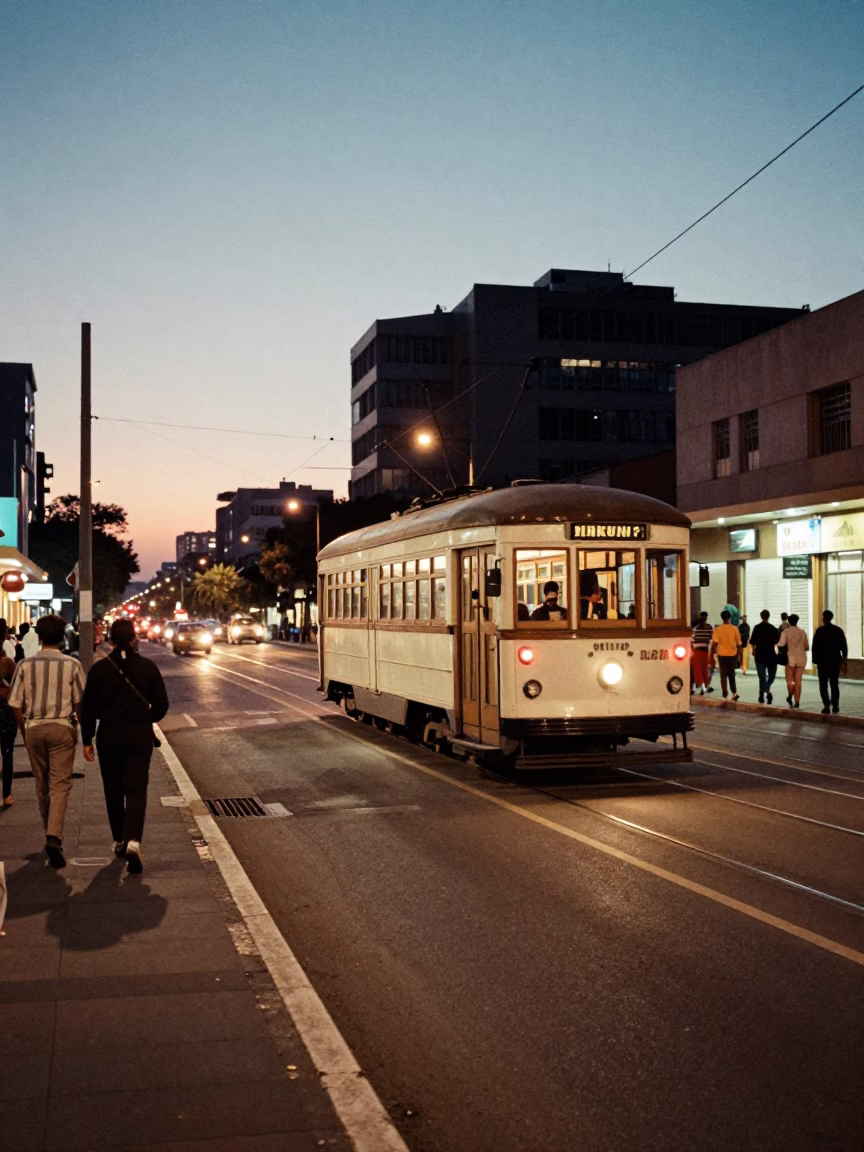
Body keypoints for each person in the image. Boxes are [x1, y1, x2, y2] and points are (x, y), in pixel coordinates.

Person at [81, 618, 169, 874]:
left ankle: (119, 839)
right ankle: (133, 840)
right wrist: (145, 719)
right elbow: (162, 705)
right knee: (136, 788)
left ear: (110, 640)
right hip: (139, 736)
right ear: (133, 638)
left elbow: (88, 709)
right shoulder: (147, 667)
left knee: (113, 788)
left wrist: (87, 739)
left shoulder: (99, 670)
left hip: (109, 734)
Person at [8, 614, 86, 868]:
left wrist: (24, 728)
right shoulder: (72, 665)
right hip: (62, 727)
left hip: (34, 728)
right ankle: (54, 836)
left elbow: (15, 703)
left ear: (39, 637)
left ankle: (50, 836)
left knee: (41, 785)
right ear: (62, 637)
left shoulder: (24, 665)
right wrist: (83, 730)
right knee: (60, 785)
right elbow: (79, 701)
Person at [811, 610, 848, 714]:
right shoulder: (838, 630)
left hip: (822, 662)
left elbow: (815, 647)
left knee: (823, 684)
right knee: (834, 684)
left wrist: (815, 661)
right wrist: (844, 660)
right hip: (835, 661)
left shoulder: (819, 631)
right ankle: (835, 705)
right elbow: (844, 647)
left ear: (823, 618)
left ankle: (826, 705)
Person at [749, 610, 780, 704]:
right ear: (768, 616)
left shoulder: (757, 628)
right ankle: (766, 692)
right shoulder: (773, 628)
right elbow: (778, 639)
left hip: (759, 654)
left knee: (762, 677)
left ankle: (763, 692)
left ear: (761, 616)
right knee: (771, 676)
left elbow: (752, 642)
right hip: (770, 655)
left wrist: (753, 650)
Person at [778, 613, 808, 708]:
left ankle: (790, 695)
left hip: (790, 658)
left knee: (790, 680)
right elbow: (806, 647)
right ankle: (797, 701)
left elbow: (780, 644)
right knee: (798, 681)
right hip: (801, 658)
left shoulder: (785, 632)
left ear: (789, 622)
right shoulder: (802, 632)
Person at [710, 610, 742, 700]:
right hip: (732, 655)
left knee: (723, 675)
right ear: (730, 618)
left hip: (722, 655)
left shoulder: (718, 629)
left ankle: (724, 692)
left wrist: (711, 655)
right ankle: (734, 693)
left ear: (722, 618)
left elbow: (714, 644)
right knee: (732, 675)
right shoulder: (735, 629)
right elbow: (739, 644)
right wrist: (740, 657)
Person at [0, 655, 17, 807]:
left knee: (7, 754)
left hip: (5, 712)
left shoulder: (7, 662)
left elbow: (16, 686)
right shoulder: (7, 662)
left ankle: (7, 793)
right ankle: (7, 794)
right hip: (6, 713)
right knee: (7, 754)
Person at [691, 611, 714, 695]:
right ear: (706, 618)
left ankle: (702, 686)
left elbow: (692, 639)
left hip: (697, 650)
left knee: (697, 669)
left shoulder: (696, 627)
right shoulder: (709, 627)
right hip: (705, 650)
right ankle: (705, 686)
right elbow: (711, 638)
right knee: (704, 669)